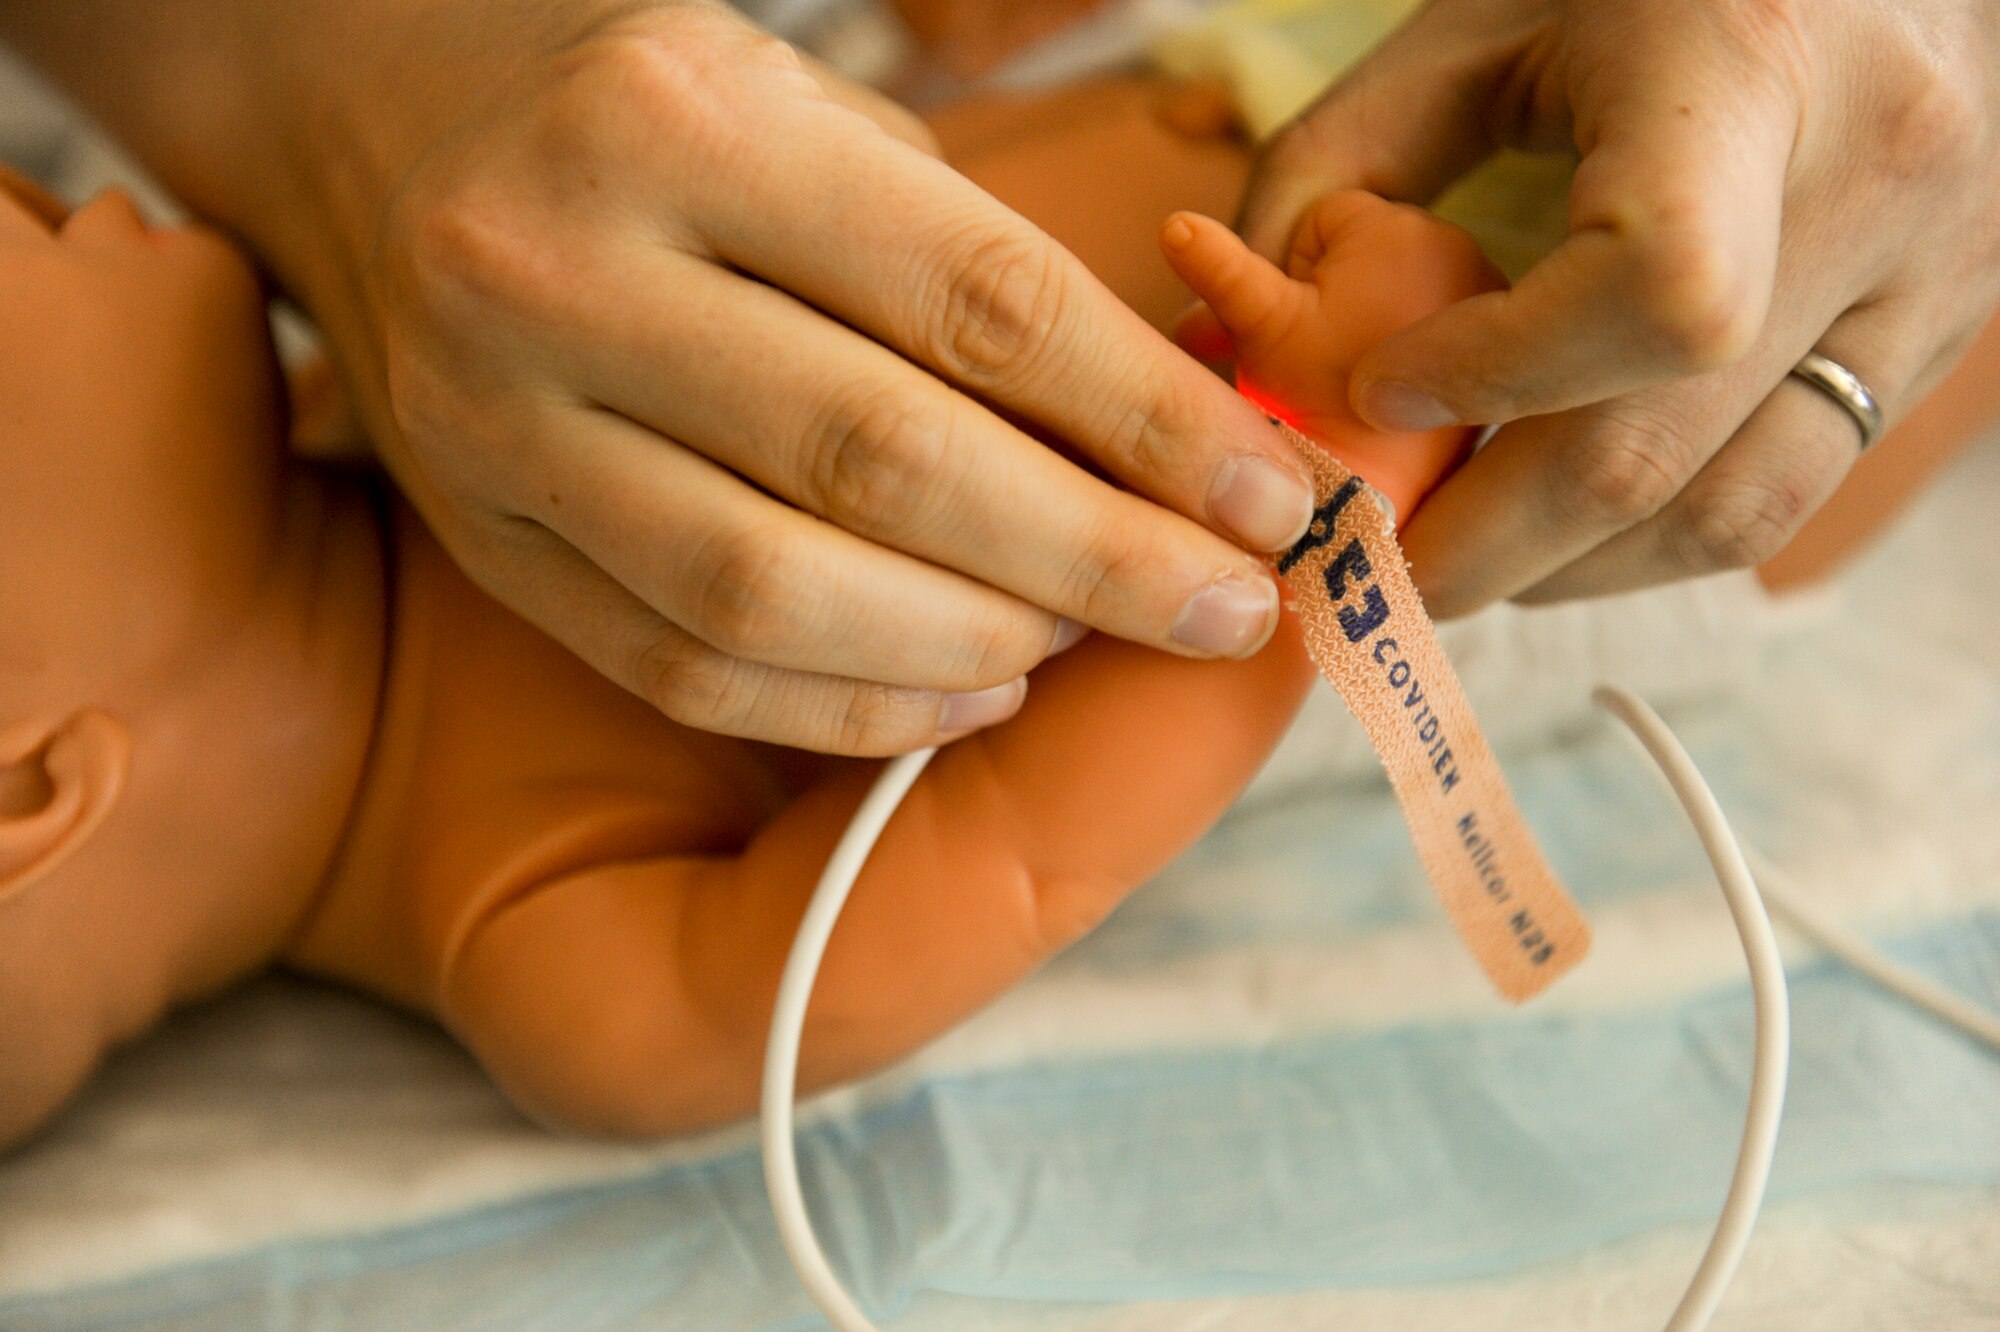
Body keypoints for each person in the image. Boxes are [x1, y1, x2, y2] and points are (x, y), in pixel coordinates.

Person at [6, 0, 1995, 758]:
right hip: (1579, 375)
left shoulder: (350, 425)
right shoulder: (518, 917)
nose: (50, 211)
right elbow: (1087, 781)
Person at [0, 143, 1489, 1146]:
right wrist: (1332, 460)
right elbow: (1029, 837)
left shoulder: (369, 377)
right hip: (1492, 436)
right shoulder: (552, 942)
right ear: (28, 793)